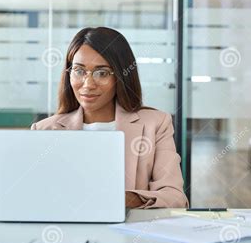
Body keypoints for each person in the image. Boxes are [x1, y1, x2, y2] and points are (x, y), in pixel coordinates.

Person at [31, 27, 188, 209]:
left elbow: (175, 197)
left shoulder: (156, 124)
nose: (88, 84)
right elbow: (32, 197)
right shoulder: (43, 130)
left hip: (129, 234)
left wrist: (115, 199)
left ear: (121, 77)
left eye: (102, 73)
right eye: (79, 71)